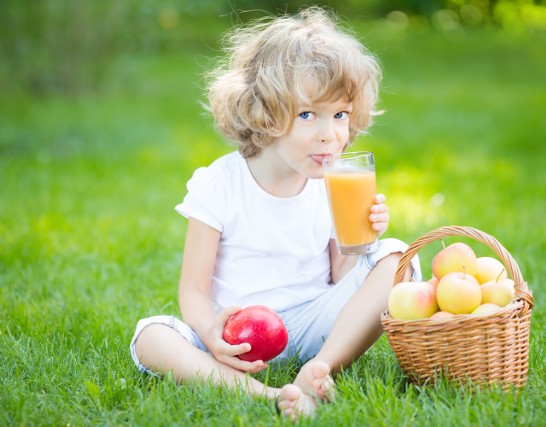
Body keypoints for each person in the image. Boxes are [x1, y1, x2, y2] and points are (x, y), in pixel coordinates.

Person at [129, 6, 421, 419]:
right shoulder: (220, 183)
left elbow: (342, 280)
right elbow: (193, 290)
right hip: (237, 335)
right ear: (264, 113)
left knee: (396, 257)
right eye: (308, 115)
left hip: (314, 328)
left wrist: (363, 241)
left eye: (340, 115)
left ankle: (319, 368)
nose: (330, 133)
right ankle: (259, 393)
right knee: (151, 335)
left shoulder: (333, 183)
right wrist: (212, 333)